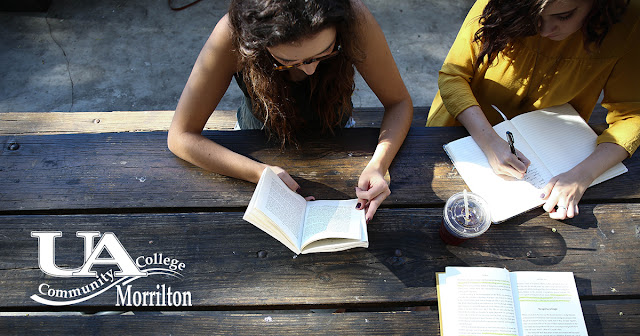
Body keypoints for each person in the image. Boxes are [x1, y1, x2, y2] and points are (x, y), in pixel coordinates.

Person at [168, 0, 413, 222]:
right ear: (255, 43)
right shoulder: (232, 33)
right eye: (288, 62)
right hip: (254, 142)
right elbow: (181, 136)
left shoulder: (353, 17)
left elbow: (398, 102)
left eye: (325, 52)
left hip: (338, 134)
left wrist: (379, 165)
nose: (310, 70)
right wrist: (260, 173)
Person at [427, 0, 639, 220]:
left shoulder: (629, 22)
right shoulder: (499, 4)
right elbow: (454, 76)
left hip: (557, 153)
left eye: (564, 16)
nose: (545, 30)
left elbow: (632, 116)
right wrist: (489, 141)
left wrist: (582, 175)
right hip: (461, 127)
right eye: (534, 16)